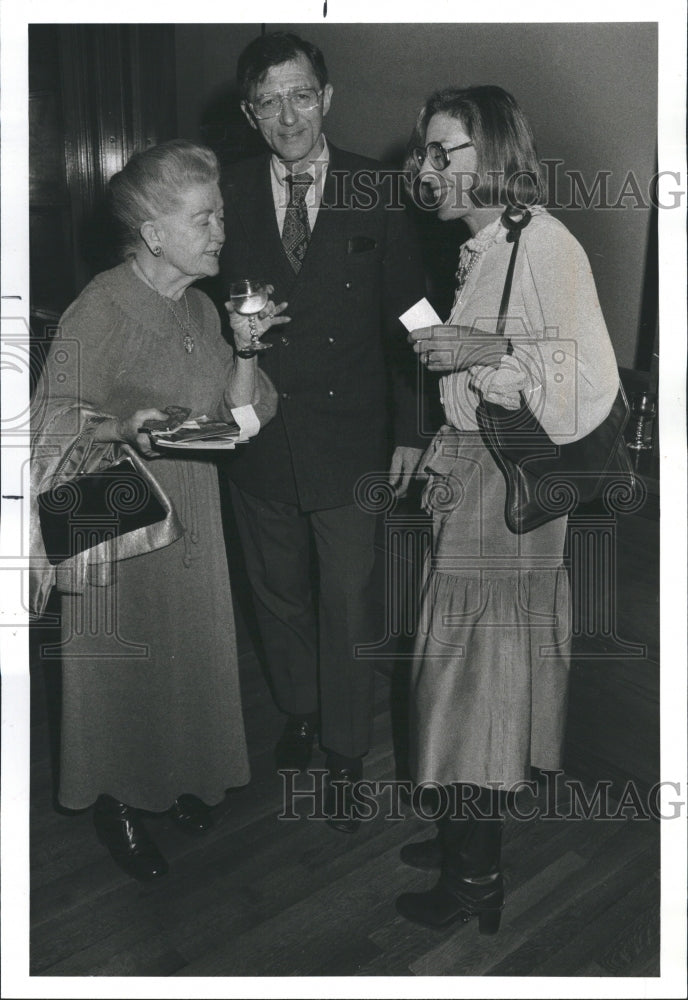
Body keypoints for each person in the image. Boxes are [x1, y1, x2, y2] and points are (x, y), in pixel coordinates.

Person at [395, 86, 619, 930]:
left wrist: (480, 348)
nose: (426, 168)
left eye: (442, 151)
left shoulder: (548, 244)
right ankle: (463, 837)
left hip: (512, 489)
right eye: (426, 152)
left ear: (491, 155)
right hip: (475, 472)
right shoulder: (487, 242)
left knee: (474, 682)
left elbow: (587, 383)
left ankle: (475, 881)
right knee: (456, 673)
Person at [30, 140, 282, 881]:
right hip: (113, 511)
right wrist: (120, 425)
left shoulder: (204, 307)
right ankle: (115, 797)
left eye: (222, 216)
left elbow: (239, 419)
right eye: (203, 219)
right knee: (124, 667)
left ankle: (175, 778)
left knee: (186, 659)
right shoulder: (100, 307)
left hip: (192, 509)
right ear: (154, 233)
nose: (220, 233)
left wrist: (245, 348)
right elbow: (44, 420)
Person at [219, 31, 428, 832]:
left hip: (354, 437)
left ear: (328, 99)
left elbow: (413, 315)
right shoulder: (226, 191)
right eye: (268, 100)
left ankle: (344, 752)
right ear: (248, 113)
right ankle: (299, 712)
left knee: (349, 601)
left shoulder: (380, 190)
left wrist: (413, 425)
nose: (288, 114)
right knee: (277, 595)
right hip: (257, 434)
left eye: (301, 94)